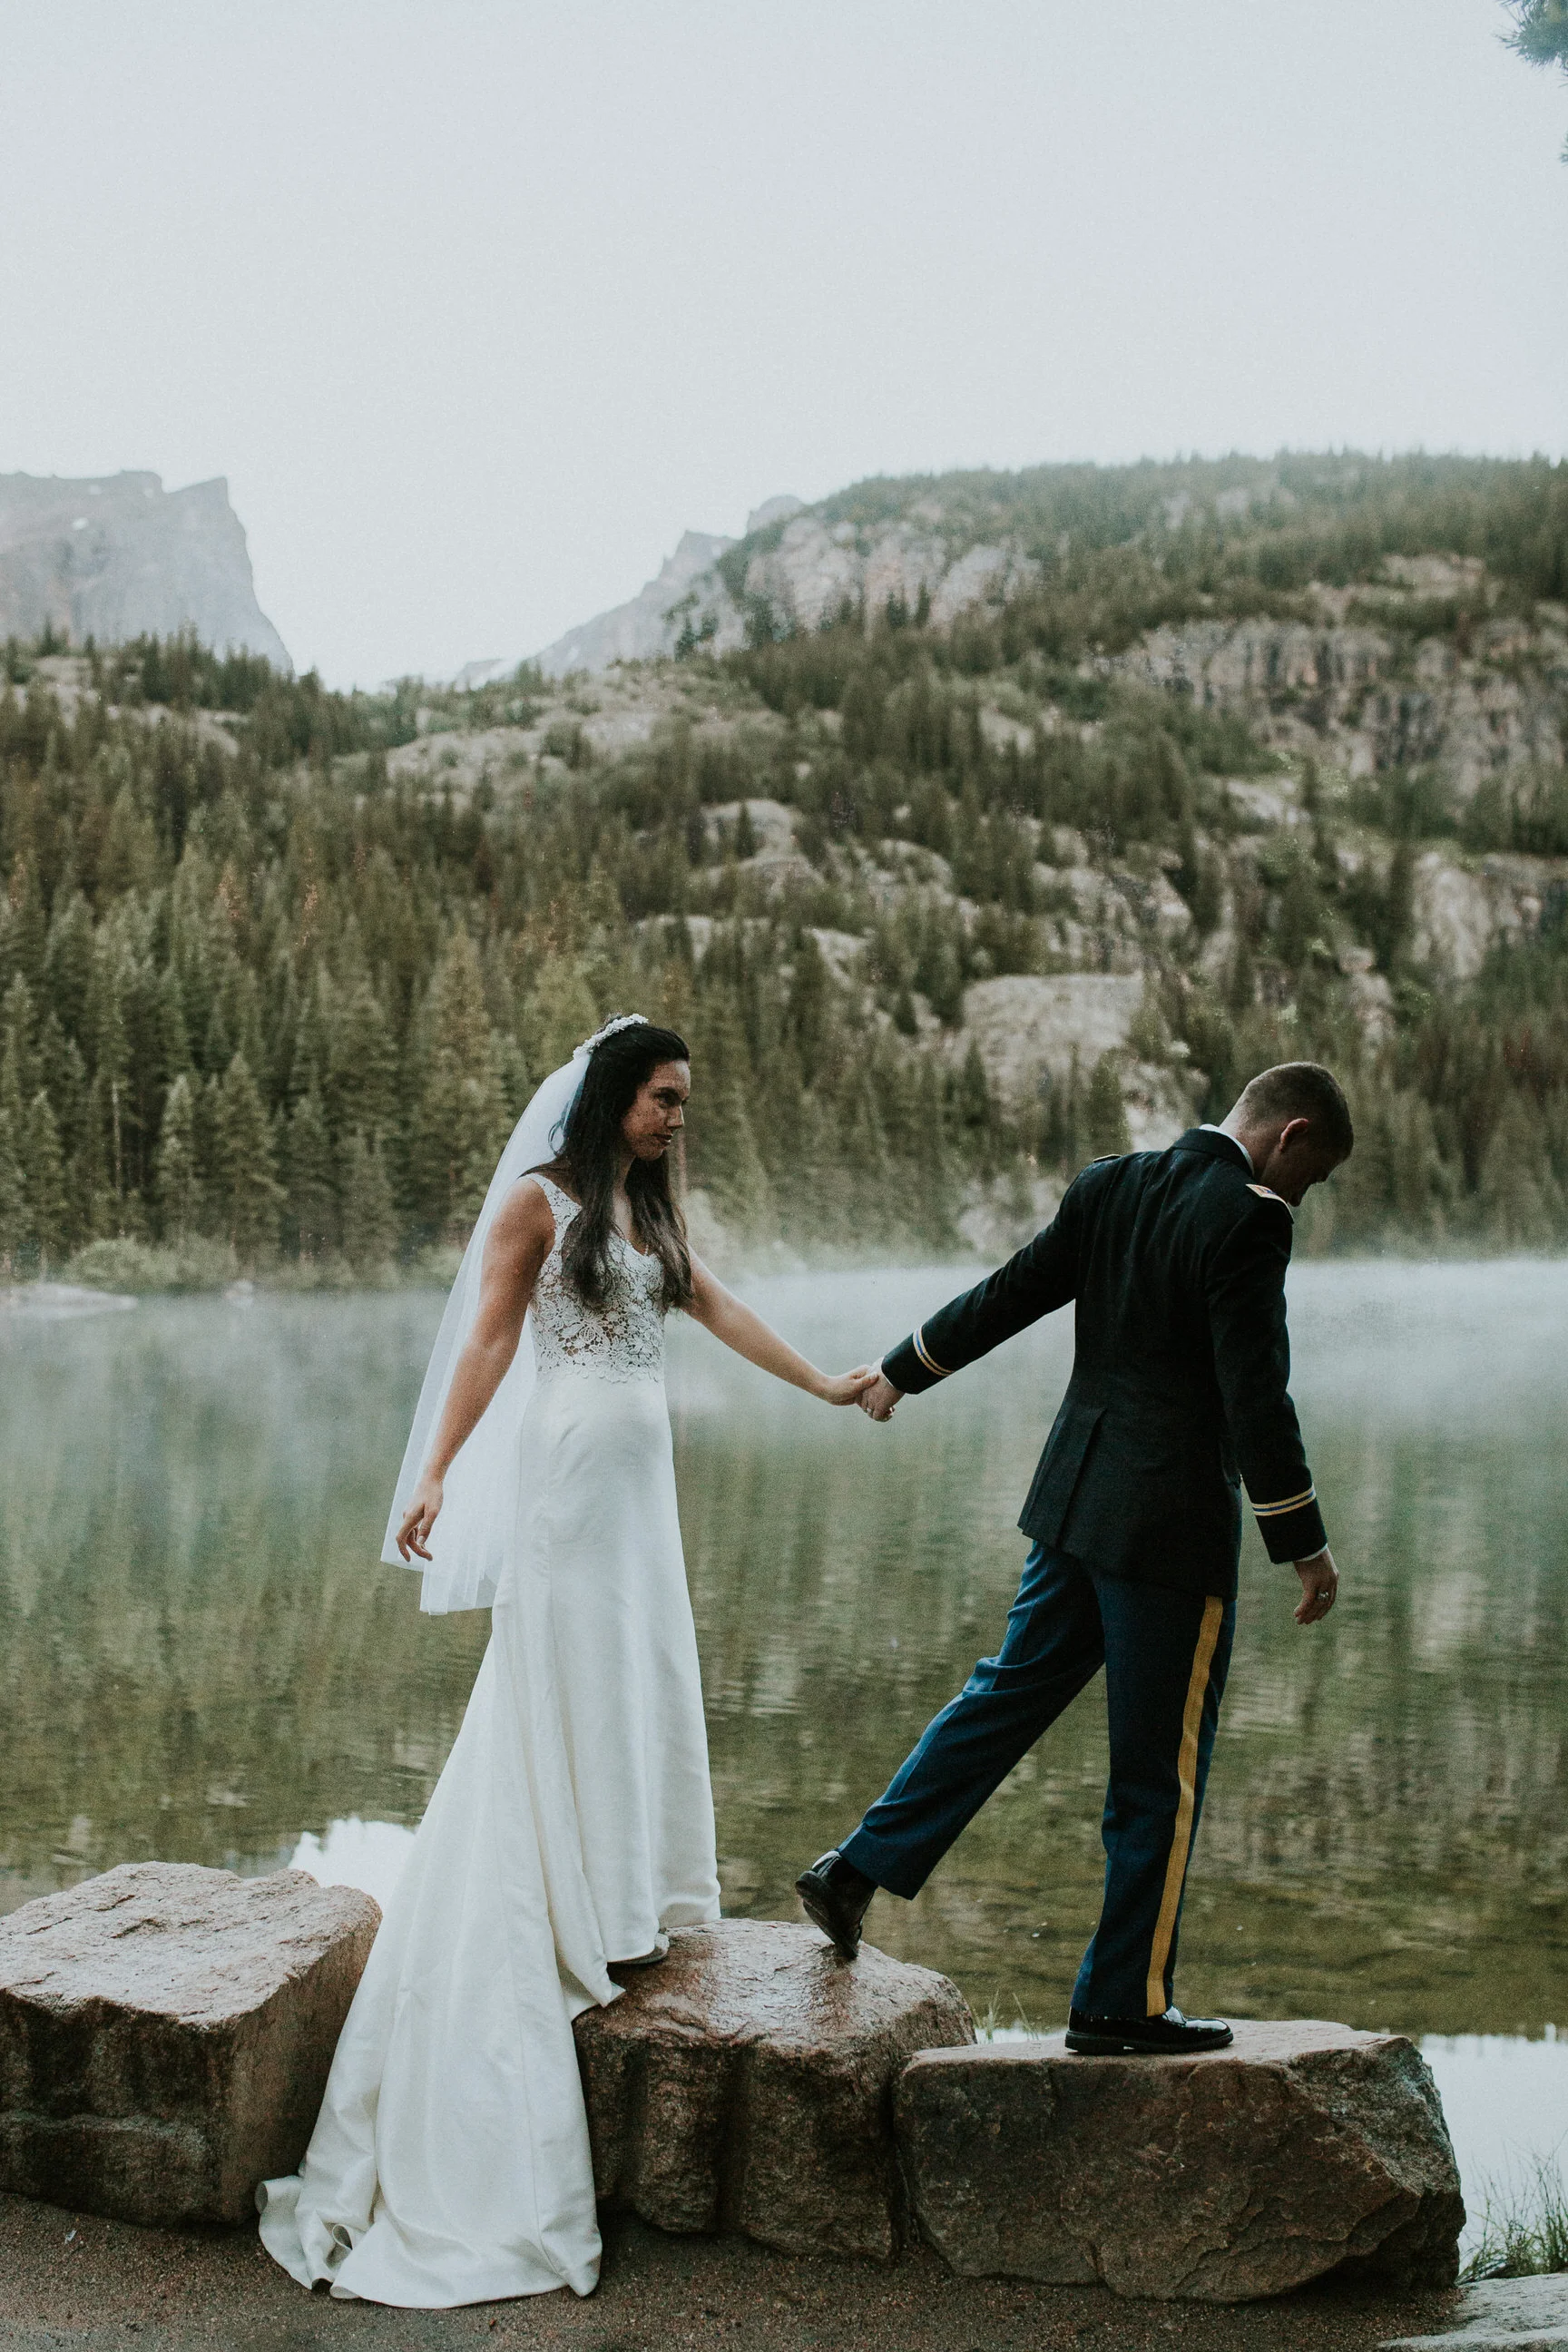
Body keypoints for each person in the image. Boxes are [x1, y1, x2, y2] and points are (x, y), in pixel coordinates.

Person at [260, 1015, 875, 2308]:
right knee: (560, 1681)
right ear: (611, 1097)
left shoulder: (647, 1215)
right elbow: (487, 1343)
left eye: (685, 1103)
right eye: (662, 1099)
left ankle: (623, 1894)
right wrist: (429, 1473)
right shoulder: (540, 1207)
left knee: (636, 1673)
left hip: (639, 1495)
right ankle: (563, 1908)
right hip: (566, 1485)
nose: (677, 1119)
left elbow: (721, 1309)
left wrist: (825, 1384)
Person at [796, 1062, 1352, 2057]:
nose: (1302, 1193)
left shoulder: (1111, 1184)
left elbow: (1010, 1294)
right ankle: (1121, 2005)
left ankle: (854, 1869)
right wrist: (1301, 1540)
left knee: (1001, 1695)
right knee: (1157, 1775)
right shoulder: (1251, 1218)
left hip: (1074, 1502)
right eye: (1310, 1172)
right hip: (1169, 1535)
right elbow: (1254, 1395)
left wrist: (899, 1371)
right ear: (1290, 1134)